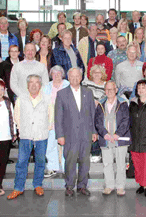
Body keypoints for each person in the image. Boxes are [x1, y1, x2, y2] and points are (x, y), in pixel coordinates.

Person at [7, 74, 53, 200]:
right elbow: (16, 115)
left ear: (40, 85)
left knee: (40, 161)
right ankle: (18, 187)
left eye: (36, 82)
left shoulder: (47, 98)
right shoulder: (21, 98)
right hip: (26, 135)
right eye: (31, 82)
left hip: (41, 135)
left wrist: (45, 128)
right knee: (22, 162)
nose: (33, 85)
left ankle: (38, 185)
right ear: (27, 85)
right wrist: (21, 129)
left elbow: (51, 116)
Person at [55, 67, 97, 197]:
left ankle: (82, 186)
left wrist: (94, 131)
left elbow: (92, 114)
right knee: (70, 160)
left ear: (81, 77)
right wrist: (60, 135)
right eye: (72, 76)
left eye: (77, 76)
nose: (75, 78)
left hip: (86, 133)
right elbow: (58, 116)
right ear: (68, 77)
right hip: (69, 134)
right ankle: (69, 186)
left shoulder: (88, 92)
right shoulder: (61, 94)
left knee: (85, 160)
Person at [95, 80, 131, 196]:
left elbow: (126, 120)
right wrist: (104, 133)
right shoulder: (100, 104)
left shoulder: (123, 103)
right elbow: (97, 121)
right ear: (104, 91)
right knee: (107, 164)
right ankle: (109, 186)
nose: (109, 91)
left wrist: (117, 134)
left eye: (112, 89)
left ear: (116, 90)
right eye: (107, 89)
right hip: (105, 139)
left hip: (120, 139)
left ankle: (120, 187)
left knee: (121, 164)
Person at [43, 66, 70, 177]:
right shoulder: (46, 87)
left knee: (66, 144)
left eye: (59, 73)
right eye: (54, 74)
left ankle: (66, 167)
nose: (56, 76)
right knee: (50, 144)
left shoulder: (67, 84)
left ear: (62, 74)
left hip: (66, 119)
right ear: (51, 75)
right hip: (51, 119)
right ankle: (52, 167)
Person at [82, 65, 107, 163]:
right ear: (91, 74)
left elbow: (108, 97)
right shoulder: (86, 83)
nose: (97, 75)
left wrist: (99, 103)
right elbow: (82, 95)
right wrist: (92, 101)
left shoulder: (106, 85)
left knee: (98, 124)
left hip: (101, 111)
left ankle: (96, 151)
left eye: (99, 72)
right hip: (87, 110)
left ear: (102, 74)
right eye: (94, 72)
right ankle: (87, 151)